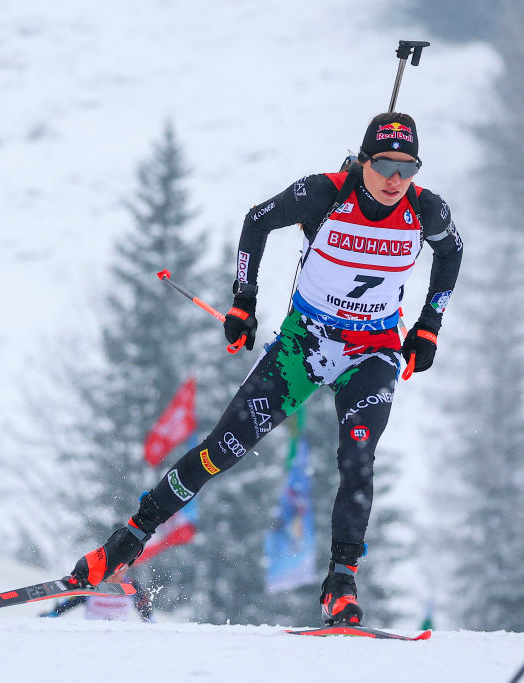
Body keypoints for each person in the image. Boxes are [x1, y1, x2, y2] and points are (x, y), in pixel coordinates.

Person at [63, 112, 463, 626]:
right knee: (220, 451)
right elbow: (257, 220)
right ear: (364, 161)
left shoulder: (427, 210)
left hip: (372, 352)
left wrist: (428, 327)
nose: (395, 179)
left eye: (407, 168)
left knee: (358, 459)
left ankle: (340, 584)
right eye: (384, 164)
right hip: (305, 344)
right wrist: (243, 302)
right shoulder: (323, 194)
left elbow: (451, 254)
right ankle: (125, 543)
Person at [39, 568, 154, 622]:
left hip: (119, 635)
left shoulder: (131, 585)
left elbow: (144, 609)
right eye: (113, 571)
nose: (116, 574)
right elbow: (71, 603)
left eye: (121, 570)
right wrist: (53, 614)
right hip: (93, 633)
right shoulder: (92, 587)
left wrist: (150, 622)